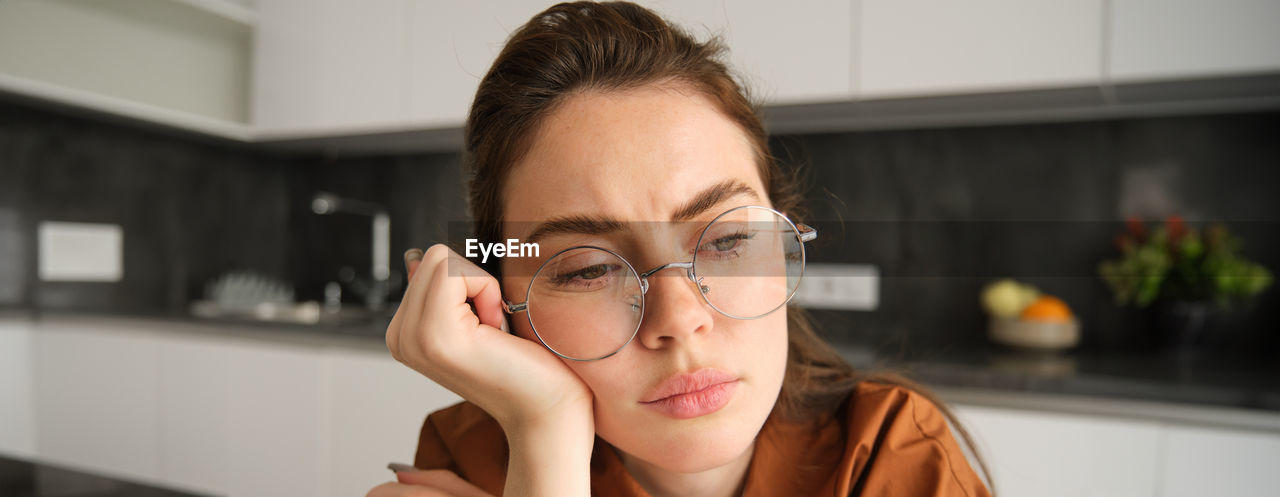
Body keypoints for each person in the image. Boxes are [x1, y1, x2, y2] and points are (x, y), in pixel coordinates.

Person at [369, 2, 994, 496]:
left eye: (728, 240)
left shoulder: (890, 455)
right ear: (501, 298)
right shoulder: (480, 453)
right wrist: (545, 432)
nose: (678, 318)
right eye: (588, 270)